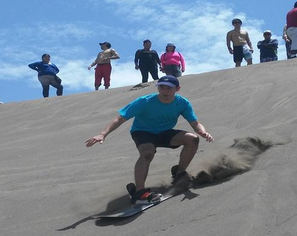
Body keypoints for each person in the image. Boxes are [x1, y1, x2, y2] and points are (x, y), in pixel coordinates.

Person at [85, 75, 214, 204]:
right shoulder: (144, 101)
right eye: (161, 87)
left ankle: (179, 174)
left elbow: (195, 123)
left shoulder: (182, 103)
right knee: (147, 153)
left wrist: (202, 131)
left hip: (164, 132)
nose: (164, 91)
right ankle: (139, 192)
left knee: (193, 139)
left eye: (169, 88)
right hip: (143, 132)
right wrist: (103, 134)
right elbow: (120, 118)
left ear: (177, 89)